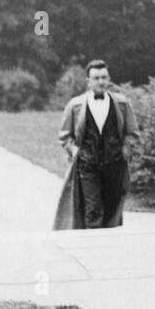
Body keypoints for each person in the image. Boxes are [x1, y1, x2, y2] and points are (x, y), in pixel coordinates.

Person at [53, 60, 140, 230]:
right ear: (88, 81)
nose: (101, 82)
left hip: (115, 164)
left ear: (109, 79)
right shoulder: (75, 105)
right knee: (92, 210)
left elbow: (133, 133)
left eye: (104, 77)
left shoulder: (122, 104)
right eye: (96, 78)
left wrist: (126, 148)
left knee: (112, 210)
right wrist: (74, 150)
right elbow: (64, 135)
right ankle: (93, 249)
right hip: (88, 165)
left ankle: (108, 249)